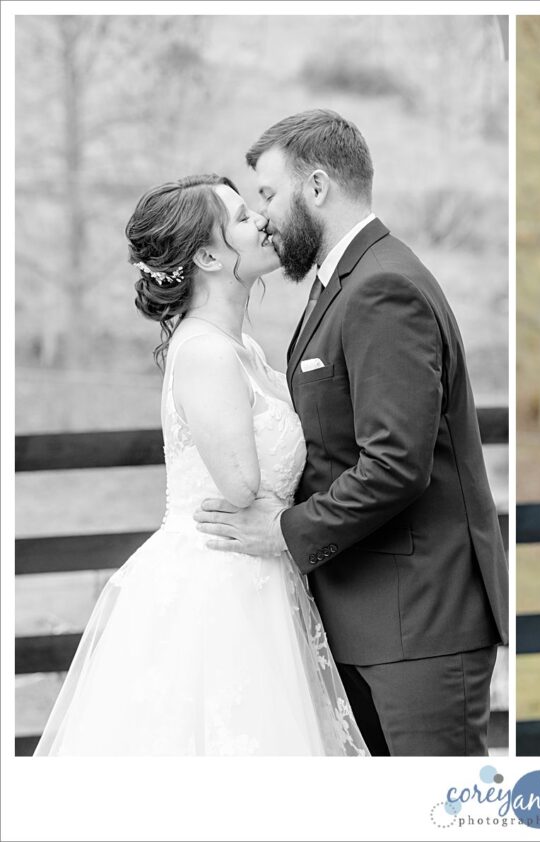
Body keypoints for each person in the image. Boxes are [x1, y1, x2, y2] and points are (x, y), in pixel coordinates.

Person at [194, 110, 509, 756]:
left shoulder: (381, 286)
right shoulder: (340, 284)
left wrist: (283, 531)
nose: (265, 217)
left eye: (269, 195)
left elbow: (395, 464)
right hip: (371, 618)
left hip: (417, 625)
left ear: (316, 188)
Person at [35, 175, 367, 756]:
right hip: (217, 581)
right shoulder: (208, 353)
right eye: (242, 217)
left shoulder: (245, 348)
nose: (263, 220)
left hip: (262, 574)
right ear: (209, 255)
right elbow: (241, 486)